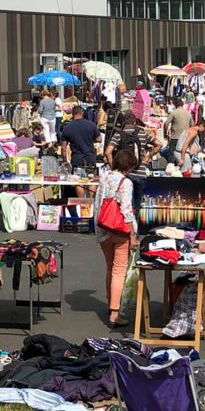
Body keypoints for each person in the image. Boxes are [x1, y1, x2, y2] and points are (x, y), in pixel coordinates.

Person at [94, 149, 139, 328]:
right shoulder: (125, 182)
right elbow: (126, 210)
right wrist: (132, 235)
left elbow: (97, 203)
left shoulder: (103, 177)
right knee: (119, 270)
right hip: (120, 230)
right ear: (128, 167)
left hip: (103, 227)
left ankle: (110, 304)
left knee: (110, 268)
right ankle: (115, 312)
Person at [105, 111, 162, 215]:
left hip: (124, 174)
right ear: (135, 122)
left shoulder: (119, 135)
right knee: (136, 205)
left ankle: (125, 228)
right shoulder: (143, 133)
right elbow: (159, 144)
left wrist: (113, 168)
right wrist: (149, 156)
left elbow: (107, 152)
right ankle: (135, 228)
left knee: (125, 205)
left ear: (123, 123)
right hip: (140, 174)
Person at [61, 106, 102, 170]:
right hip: (90, 159)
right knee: (91, 178)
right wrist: (89, 140)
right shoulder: (91, 125)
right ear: (82, 113)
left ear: (72, 114)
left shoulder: (67, 128)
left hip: (76, 160)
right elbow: (99, 139)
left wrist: (65, 161)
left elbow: (63, 148)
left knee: (76, 178)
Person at [164, 98, 192, 163]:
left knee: (171, 156)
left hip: (175, 138)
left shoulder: (174, 113)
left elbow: (166, 124)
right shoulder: (188, 114)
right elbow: (192, 126)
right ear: (182, 105)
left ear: (175, 105)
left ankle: (172, 168)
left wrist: (165, 133)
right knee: (183, 155)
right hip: (185, 138)